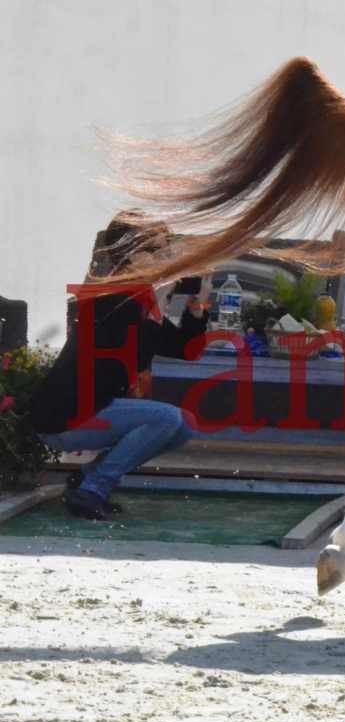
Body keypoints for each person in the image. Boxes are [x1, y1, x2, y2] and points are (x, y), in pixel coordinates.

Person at [29, 218, 211, 520]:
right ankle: (92, 491)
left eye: (167, 250)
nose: (167, 258)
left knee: (184, 424)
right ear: (133, 254)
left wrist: (198, 309)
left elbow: (187, 351)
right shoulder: (109, 296)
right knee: (167, 418)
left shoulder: (139, 301)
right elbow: (132, 346)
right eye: (158, 250)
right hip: (66, 416)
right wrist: (162, 297)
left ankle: (87, 476)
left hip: (95, 409)